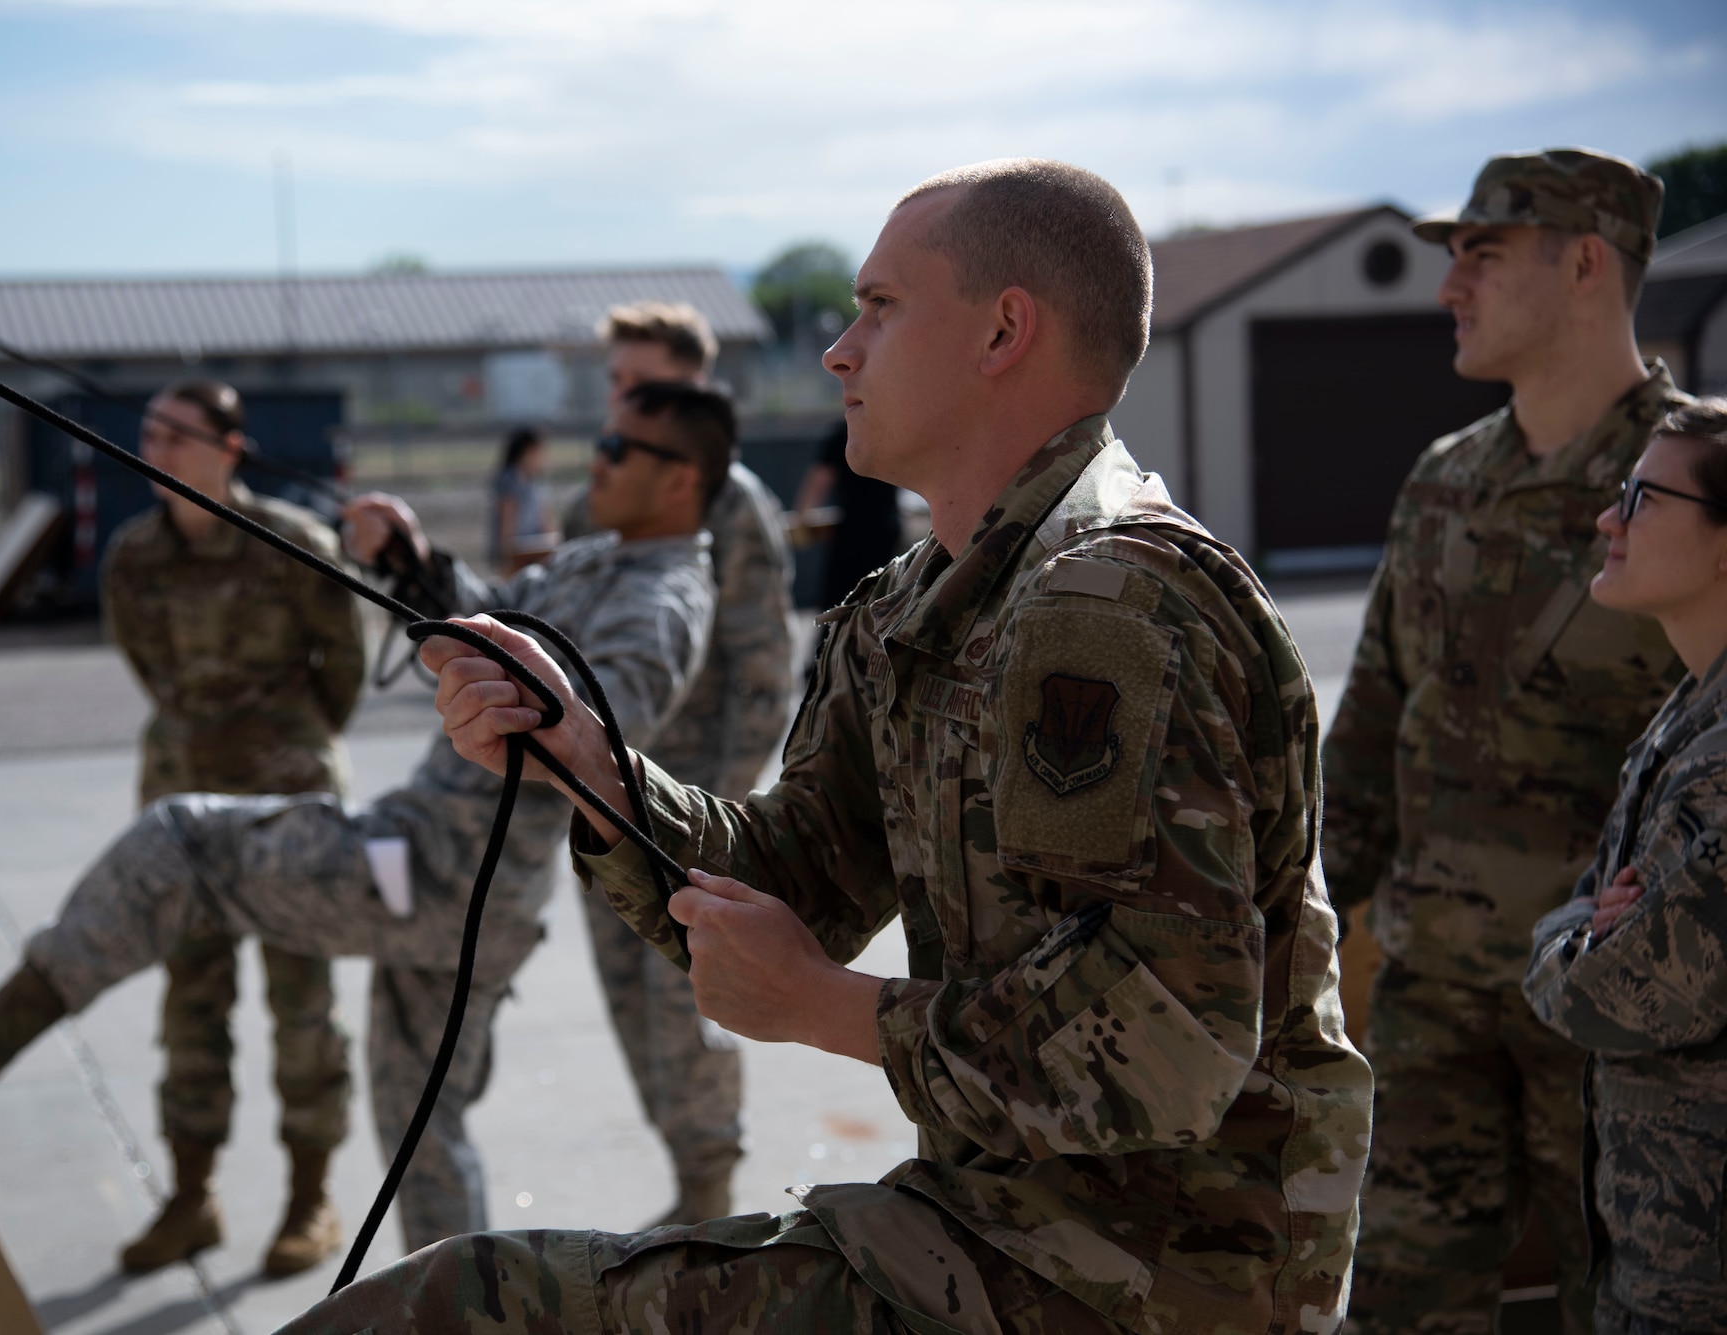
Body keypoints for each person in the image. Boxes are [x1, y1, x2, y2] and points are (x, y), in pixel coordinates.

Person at [288, 157, 1371, 1334]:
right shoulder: (922, 603)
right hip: (992, 1234)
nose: (838, 350)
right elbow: (795, 874)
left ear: (1003, 330)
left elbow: (1169, 1039)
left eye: (880, 306)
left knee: (453, 1310)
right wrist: (589, 766)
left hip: (1146, 1280)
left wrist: (828, 1009)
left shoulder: (1104, 603)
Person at [0, 381, 728, 1259]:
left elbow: (620, 732)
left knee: (182, 842)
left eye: (619, 450)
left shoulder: (662, 596)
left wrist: (527, 692)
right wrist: (418, 564)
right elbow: (496, 614)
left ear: (680, 479)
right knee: (421, 1131)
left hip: (442, 867)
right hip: (468, 886)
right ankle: (468, 1314)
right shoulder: (600, 561)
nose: (597, 462)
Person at [1321, 148, 1692, 1334]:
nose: (1448, 286)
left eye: (1480, 254)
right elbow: (1371, 719)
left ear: (1584, 262)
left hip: (1617, 1014)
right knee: (1396, 1306)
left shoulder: (1690, 487)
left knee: (1620, 1305)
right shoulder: (1444, 481)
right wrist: (1304, 933)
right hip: (1431, 995)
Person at [99, 379, 366, 1277]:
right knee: (190, 1006)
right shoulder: (132, 558)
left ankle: (309, 1197)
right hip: (181, 807)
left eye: (180, 435)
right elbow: (146, 668)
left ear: (231, 447)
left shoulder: (296, 542)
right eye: (149, 435)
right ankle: (191, 1196)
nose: (159, 451)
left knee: (303, 1007)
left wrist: (284, 740)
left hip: (287, 805)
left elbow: (345, 671)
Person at [565, 300, 796, 1224]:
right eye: (616, 384)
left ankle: (707, 1189)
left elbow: (764, 671)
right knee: (631, 1004)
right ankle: (686, 1175)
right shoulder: (601, 490)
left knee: (686, 1007)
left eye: (643, 384)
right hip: (608, 803)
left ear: (696, 387)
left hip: (692, 807)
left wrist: (724, 811)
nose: (620, 402)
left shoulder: (732, 502)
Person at [1524, 398, 1727, 1335]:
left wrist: (1569, 941)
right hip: (1662, 1262)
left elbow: (1620, 990)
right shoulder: (1688, 714)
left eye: (1643, 498)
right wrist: (1587, 931)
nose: (1610, 519)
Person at [795, 418, 905, 609]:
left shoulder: (846, 432)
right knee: (883, 597)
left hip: (856, 530)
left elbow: (820, 479)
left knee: (840, 602)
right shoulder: (890, 428)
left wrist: (803, 517)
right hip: (888, 525)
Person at [490, 426, 553, 573]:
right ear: (527, 451)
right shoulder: (510, 478)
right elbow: (507, 518)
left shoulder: (536, 479)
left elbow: (545, 515)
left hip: (535, 548)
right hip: (517, 550)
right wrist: (506, 556)